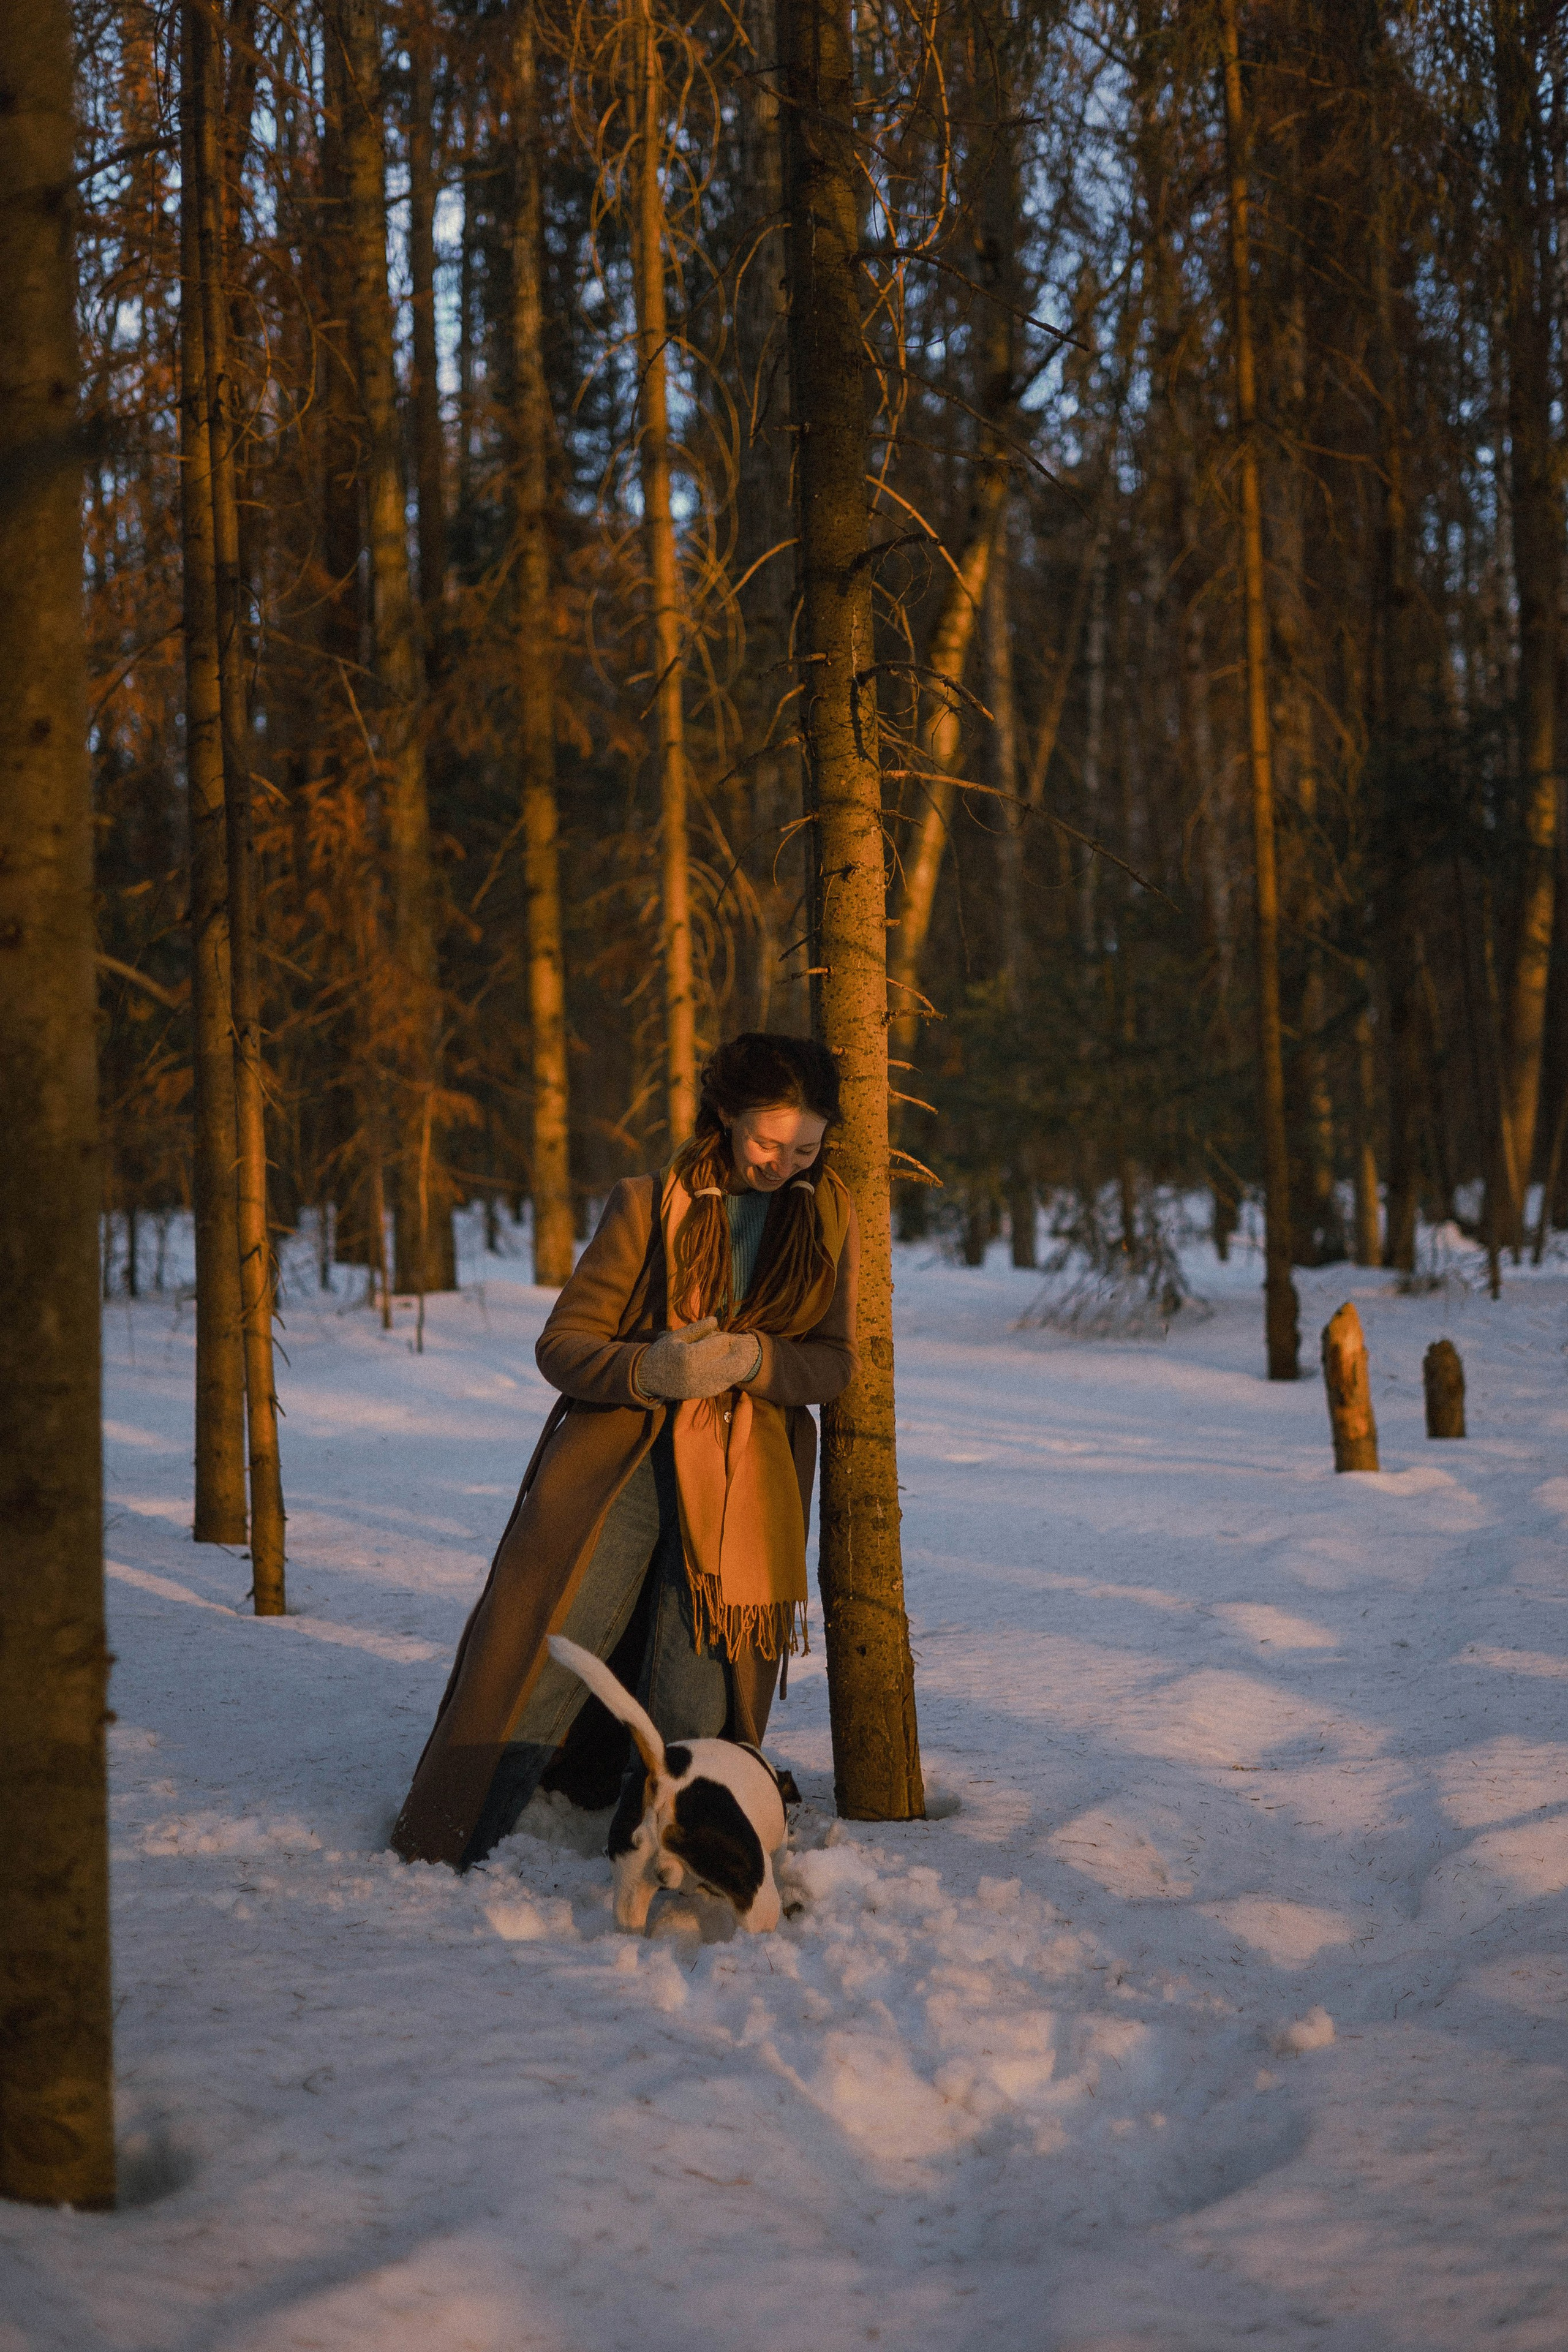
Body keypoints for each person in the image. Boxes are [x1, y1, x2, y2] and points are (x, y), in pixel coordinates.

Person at [391, 1031, 859, 1871]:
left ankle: (658, 1860)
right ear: (725, 1115)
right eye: (765, 1139)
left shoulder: (829, 1218)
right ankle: (451, 1841)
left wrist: (761, 1361)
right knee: (546, 1650)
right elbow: (561, 1345)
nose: (782, 1164)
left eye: (805, 1148)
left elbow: (832, 1363)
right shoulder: (648, 1204)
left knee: (694, 1688)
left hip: (747, 1489)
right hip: (622, 1465)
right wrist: (655, 1366)